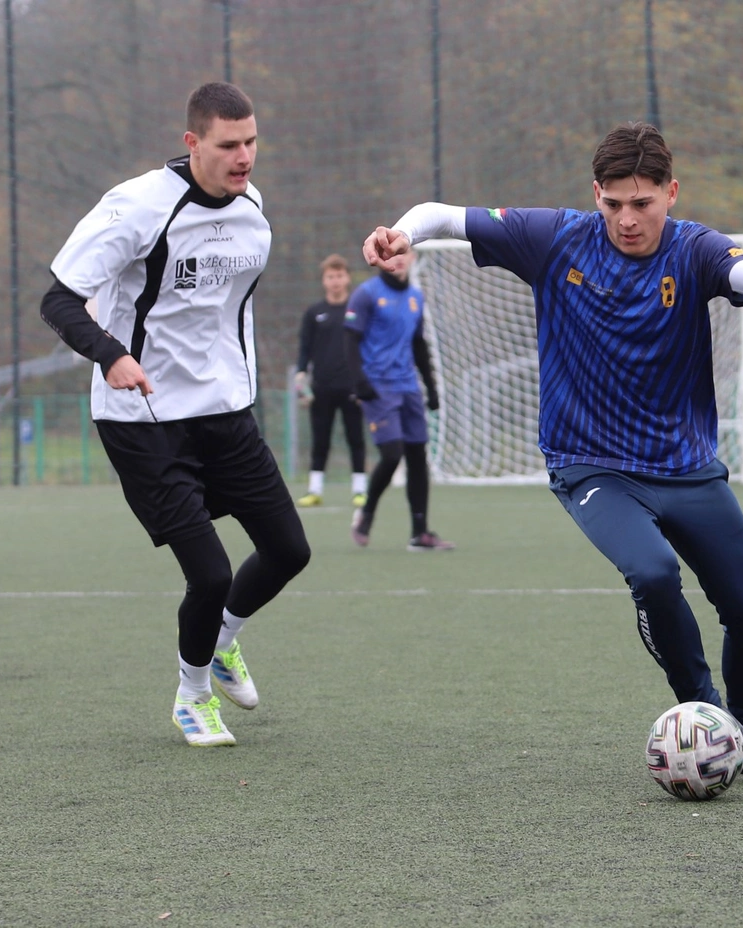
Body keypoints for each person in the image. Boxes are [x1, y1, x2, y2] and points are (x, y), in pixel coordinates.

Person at [362, 122, 743, 774]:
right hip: (592, 466)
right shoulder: (556, 237)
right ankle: (709, 720)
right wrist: (402, 233)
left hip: (686, 466)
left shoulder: (695, 249)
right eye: (613, 203)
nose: (627, 219)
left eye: (643, 203)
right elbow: (440, 214)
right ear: (595, 194)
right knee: (653, 573)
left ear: (671, 194)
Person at [40, 81, 311, 747]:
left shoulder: (252, 206)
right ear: (193, 143)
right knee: (210, 573)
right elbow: (59, 300)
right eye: (228, 145)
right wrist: (111, 355)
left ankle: (220, 642)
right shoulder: (137, 207)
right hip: (144, 420)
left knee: (288, 550)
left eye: (251, 142)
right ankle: (192, 698)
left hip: (225, 412)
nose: (244, 156)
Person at [344, 248, 454, 551]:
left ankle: (420, 533)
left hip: (408, 388)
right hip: (378, 388)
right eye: (392, 254)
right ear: (381, 260)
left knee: (418, 456)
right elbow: (350, 341)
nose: (399, 259)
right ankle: (366, 512)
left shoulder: (416, 297)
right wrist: (360, 383)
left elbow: (419, 346)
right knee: (392, 454)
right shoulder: (366, 294)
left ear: (413, 258)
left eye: (404, 253)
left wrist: (431, 388)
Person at [293, 253, 368, 508]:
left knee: (355, 438)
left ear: (347, 278)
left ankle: (360, 490)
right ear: (324, 280)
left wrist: (365, 382)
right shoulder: (314, 313)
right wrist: (301, 376)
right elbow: (305, 348)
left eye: (339, 275)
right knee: (320, 440)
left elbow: (366, 346)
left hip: (352, 386)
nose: (335, 281)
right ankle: (315, 490)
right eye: (330, 276)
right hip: (321, 387)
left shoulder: (356, 310)